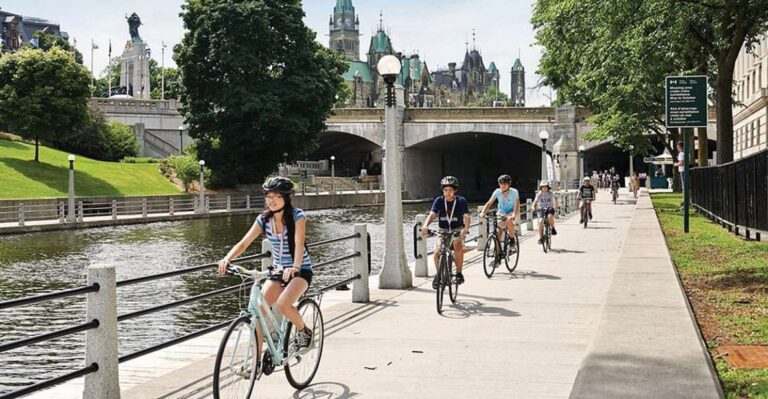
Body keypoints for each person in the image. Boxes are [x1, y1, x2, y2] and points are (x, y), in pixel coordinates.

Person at [217, 177, 314, 352]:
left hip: (301, 270)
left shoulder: (297, 215)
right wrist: (227, 258)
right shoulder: (263, 219)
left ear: (286, 198)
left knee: (283, 304)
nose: (272, 201)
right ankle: (257, 360)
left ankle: (304, 331)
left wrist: (296, 267)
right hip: (278, 271)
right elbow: (243, 243)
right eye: (268, 197)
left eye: (276, 196)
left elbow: (299, 242)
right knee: (258, 311)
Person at [421, 176, 471, 288]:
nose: (448, 193)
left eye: (450, 190)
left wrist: (465, 229)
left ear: (455, 191)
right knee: (437, 252)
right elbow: (432, 215)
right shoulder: (439, 201)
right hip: (442, 230)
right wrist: (425, 226)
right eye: (445, 190)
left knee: (457, 245)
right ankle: (439, 275)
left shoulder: (461, 201)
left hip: (457, 229)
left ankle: (458, 273)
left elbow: (466, 216)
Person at [479, 174, 521, 258]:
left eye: (505, 184)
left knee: (509, 220)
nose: (503, 185)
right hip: (501, 212)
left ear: (508, 184)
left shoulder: (514, 192)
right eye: (501, 183)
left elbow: (516, 204)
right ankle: (498, 254)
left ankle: (512, 240)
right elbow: (489, 203)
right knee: (498, 233)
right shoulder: (497, 191)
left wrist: (513, 214)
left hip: (512, 211)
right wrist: (483, 212)